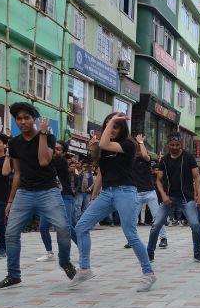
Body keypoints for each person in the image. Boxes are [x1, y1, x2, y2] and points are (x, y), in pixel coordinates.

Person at [0, 103, 76, 290]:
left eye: (26, 118)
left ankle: (65, 262)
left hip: (48, 191)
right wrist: (10, 200)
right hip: (24, 192)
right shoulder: (14, 143)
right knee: (11, 233)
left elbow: (43, 161)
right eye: (19, 118)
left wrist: (43, 134)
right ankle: (13, 275)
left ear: (34, 119)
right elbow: (17, 173)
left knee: (63, 228)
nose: (22, 122)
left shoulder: (47, 136)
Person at [71, 113, 156, 291]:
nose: (112, 129)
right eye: (109, 126)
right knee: (81, 227)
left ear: (122, 129)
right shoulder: (105, 150)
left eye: (115, 126)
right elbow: (101, 174)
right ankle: (85, 268)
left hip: (125, 191)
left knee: (130, 234)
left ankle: (148, 273)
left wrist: (109, 123)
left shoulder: (128, 145)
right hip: (106, 193)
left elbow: (103, 142)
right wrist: (94, 197)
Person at [147, 133, 200, 263]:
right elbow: (158, 180)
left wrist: (199, 196)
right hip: (169, 197)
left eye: (177, 145)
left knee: (195, 225)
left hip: (186, 198)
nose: (174, 147)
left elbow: (197, 177)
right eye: (172, 145)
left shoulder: (189, 157)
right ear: (168, 145)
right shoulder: (164, 160)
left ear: (181, 144)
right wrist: (163, 195)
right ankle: (149, 253)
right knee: (156, 225)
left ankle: (198, 253)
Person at [35, 140, 78, 261]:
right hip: (49, 198)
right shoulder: (50, 159)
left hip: (65, 197)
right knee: (43, 226)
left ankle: (83, 247)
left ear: (64, 153)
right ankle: (49, 253)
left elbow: (43, 161)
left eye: (58, 149)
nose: (54, 150)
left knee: (67, 226)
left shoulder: (61, 161)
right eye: (53, 148)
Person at [127, 135, 168, 250]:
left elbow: (145, 155)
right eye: (137, 149)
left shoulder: (146, 160)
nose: (139, 151)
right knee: (132, 218)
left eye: (140, 149)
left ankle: (163, 238)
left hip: (150, 193)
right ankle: (131, 240)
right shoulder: (131, 160)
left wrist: (141, 142)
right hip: (137, 193)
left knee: (157, 216)